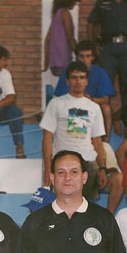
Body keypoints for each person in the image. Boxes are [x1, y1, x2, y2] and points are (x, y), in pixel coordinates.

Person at [41, 61, 107, 200]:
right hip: (62, 164)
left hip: (87, 164)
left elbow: (97, 140)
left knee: (86, 211)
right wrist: (47, 169)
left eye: (82, 77)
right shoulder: (56, 103)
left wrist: (102, 168)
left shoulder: (94, 107)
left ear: (86, 81)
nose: (78, 81)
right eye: (74, 77)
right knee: (61, 208)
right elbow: (47, 138)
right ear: (67, 80)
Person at [86, 0, 127, 110]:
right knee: (105, 84)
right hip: (107, 48)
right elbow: (91, 23)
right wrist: (93, 45)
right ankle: (104, 118)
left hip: (126, 47)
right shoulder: (102, 1)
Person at [54, 40, 116, 141]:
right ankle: (76, 139)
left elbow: (105, 99)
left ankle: (105, 140)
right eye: (81, 56)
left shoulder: (100, 72)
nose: (84, 59)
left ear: (93, 57)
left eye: (88, 56)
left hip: (92, 103)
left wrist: (89, 99)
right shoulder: (68, 71)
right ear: (77, 57)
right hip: (72, 104)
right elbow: (60, 95)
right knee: (77, 107)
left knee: (106, 108)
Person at [44, 0, 80, 77]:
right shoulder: (65, 13)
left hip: (55, 61)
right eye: (75, 1)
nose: (76, 4)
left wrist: (46, 62)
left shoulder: (56, 14)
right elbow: (70, 37)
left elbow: (47, 40)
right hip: (63, 59)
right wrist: (79, 54)